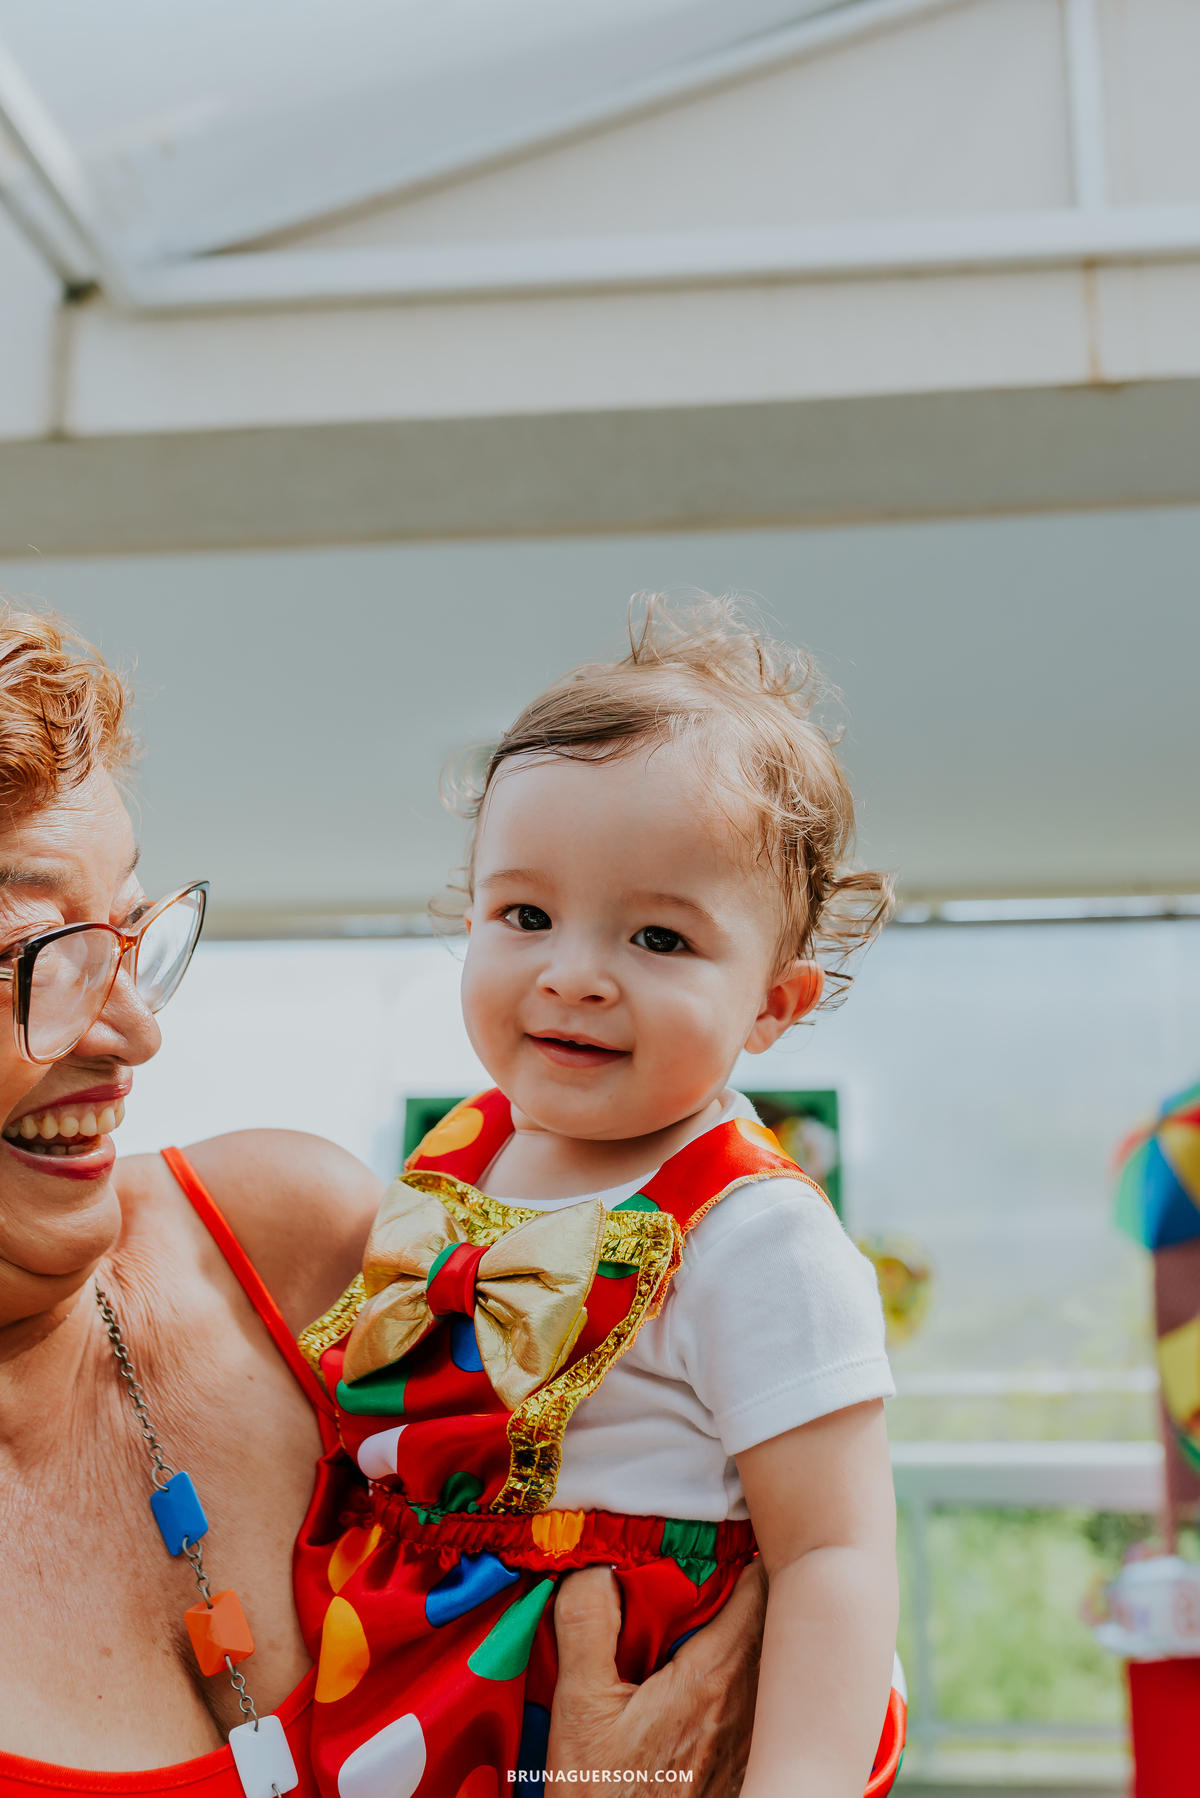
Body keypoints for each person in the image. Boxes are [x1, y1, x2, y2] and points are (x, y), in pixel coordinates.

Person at [0, 606, 763, 1798]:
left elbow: (736, 1591)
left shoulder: (292, 1250)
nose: (136, 1029)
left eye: (132, 935)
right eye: (42, 953)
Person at [297, 598, 901, 1798]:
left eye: (659, 939)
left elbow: (834, 1549)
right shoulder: (457, 1155)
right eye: (526, 915)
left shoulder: (755, 1229)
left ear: (774, 1004)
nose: (574, 973)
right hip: (398, 1670)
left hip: (615, 1683)